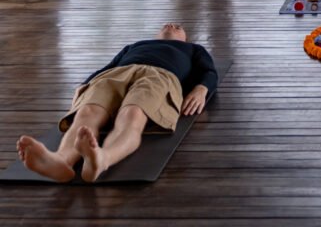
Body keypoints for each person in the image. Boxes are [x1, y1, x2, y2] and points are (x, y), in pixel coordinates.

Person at [16, 23, 218, 183]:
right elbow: (109, 66)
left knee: (133, 114)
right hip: (116, 74)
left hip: (160, 76)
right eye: (167, 24)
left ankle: (103, 159)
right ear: (158, 33)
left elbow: (209, 72)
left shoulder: (193, 49)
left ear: (185, 37)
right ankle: (61, 161)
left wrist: (201, 89)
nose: (171, 25)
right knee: (87, 113)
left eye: (178, 26)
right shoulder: (136, 45)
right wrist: (85, 84)